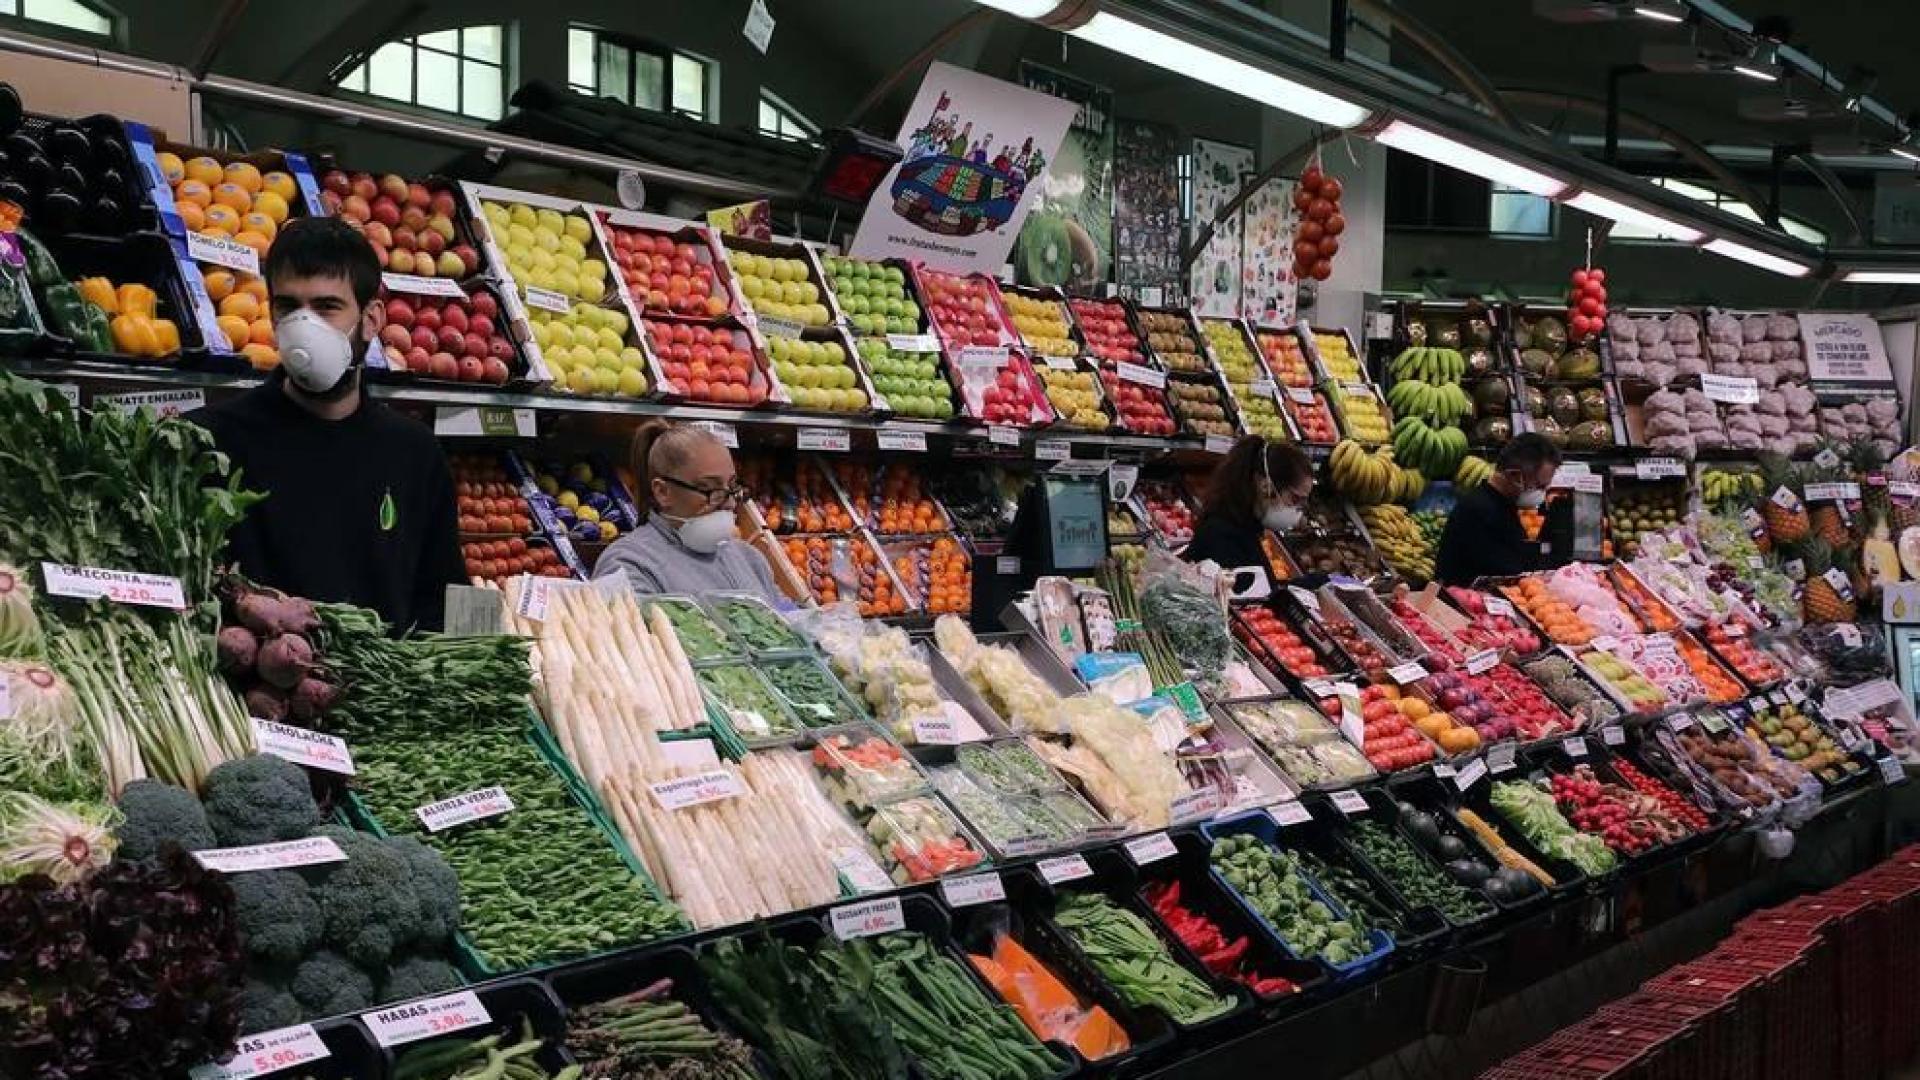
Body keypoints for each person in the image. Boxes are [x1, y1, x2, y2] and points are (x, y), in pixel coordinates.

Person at [191, 217, 463, 631]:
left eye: (326, 307)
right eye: (287, 307)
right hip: (255, 692)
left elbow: (442, 601)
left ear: (371, 320)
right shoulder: (211, 442)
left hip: (385, 689)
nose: (304, 327)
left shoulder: (414, 453)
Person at [593, 421, 787, 604]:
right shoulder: (628, 564)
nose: (728, 503)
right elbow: (637, 633)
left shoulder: (749, 558)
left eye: (732, 487)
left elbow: (790, 619)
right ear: (663, 492)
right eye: (710, 489)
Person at [1182, 435, 1316, 597]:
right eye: (1295, 499)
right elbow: (1247, 598)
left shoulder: (1246, 527)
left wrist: (1313, 583)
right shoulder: (1223, 535)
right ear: (1266, 486)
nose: (1299, 510)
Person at [1435, 432, 1562, 585]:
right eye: (1540, 486)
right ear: (1515, 476)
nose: (1543, 493)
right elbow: (1502, 573)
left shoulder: (1503, 505)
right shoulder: (1479, 512)